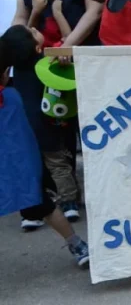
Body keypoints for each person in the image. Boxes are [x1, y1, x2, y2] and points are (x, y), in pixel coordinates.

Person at [10, 0, 101, 224]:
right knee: (43, 124)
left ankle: (100, 189)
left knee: (88, 124)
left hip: (84, 54)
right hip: (41, 59)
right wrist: (10, 45)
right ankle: (61, 195)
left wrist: (69, 46)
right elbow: (21, 17)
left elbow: (95, 11)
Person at [0, 25, 89, 267]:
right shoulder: (18, 90)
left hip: (21, 153)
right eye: (32, 30)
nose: (34, 27)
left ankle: (48, 222)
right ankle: (76, 239)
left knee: (40, 194)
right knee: (47, 185)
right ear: (38, 48)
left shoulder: (11, 93)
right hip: (39, 139)